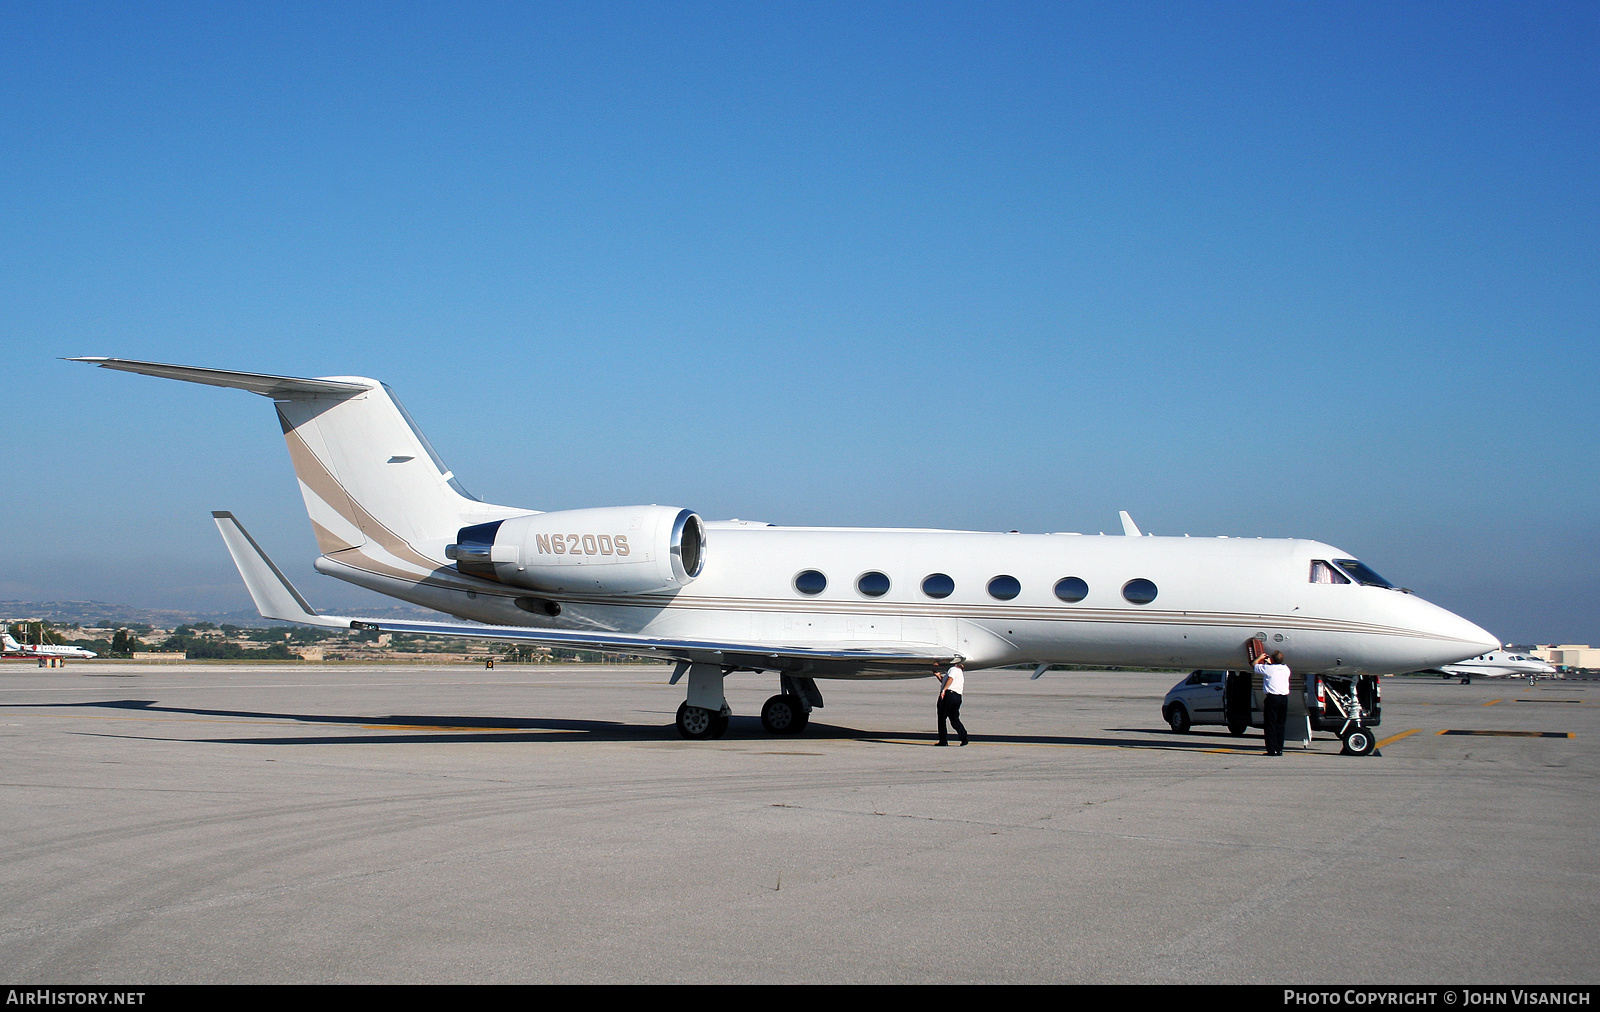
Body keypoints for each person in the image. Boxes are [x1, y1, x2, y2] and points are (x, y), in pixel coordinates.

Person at [1253, 648, 1291, 756]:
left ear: (1272, 660)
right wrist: (1270, 663)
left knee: (1270, 724)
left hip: (1272, 698)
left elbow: (1254, 665)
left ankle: (1271, 749)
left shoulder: (1268, 669)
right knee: (1280, 724)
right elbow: (1275, 668)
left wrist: (1260, 658)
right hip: (1284, 698)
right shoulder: (1286, 669)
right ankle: (1279, 749)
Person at [936, 664, 969, 746]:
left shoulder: (953, 669)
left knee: (942, 718)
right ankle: (964, 738)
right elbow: (947, 681)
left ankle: (943, 740)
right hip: (957, 696)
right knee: (954, 719)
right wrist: (939, 676)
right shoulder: (960, 673)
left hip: (949, 695)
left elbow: (950, 679)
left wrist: (943, 690)